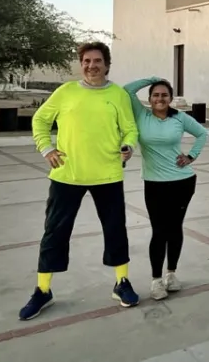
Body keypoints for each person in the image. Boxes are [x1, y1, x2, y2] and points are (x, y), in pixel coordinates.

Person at [19, 42, 140, 321]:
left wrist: (128, 145)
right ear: (81, 64)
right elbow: (40, 120)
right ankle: (43, 290)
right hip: (66, 175)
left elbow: (130, 129)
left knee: (115, 230)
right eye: (86, 61)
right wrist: (46, 149)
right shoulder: (65, 92)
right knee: (54, 233)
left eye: (97, 60)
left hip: (107, 174)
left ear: (107, 64)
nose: (91, 65)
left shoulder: (118, 95)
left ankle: (121, 283)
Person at [123, 77, 208, 301]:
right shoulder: (142, 115)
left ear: (171, 99)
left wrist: (191, 156)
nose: (160, 99)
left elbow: (202, 134)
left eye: (164, 95)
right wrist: (155, 79)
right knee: (159, 231)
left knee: (175, 228)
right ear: (149, 98)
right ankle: (156, 280)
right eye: (156, 95)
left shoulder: (180, 118)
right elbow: (127, 89)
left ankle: (171, 274)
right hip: (154, 183)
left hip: (182, 182)